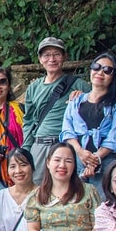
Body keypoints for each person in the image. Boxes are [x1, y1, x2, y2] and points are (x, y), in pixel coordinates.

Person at [61, 52, 116, 198]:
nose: (100, 72)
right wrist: (80, 152)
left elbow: (115, 137)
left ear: (114, 76)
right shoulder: (76, 100)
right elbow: (67, 131)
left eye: (107, 70)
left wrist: (95, 159)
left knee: (105, 206)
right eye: (96, 67)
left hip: (107, 163)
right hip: (77, 160)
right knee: (76, 205)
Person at [22, 37, 89, 184]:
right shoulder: (34, 87)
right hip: (39, 145)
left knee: (71, 188)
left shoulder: (78, 85)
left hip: (66, 144)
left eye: (56, 54)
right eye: (46, 55)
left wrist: (83, 98)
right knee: (38, 188)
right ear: (40, 59)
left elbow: (96, 108)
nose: (51, 59)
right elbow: (28, 121)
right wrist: (26, 149)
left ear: (64, 57)